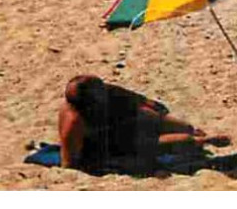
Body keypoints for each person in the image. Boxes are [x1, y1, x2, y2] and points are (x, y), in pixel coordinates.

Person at [58, 75, 228, 174]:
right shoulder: (74, 122)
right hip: (105, 144)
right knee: (152, 143)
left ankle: (192, 132)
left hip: (118, 126)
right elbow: (69, 164)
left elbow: (143, 102)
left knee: (151, 116)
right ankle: (200, 140)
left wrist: (159, 115)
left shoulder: (105, 91)